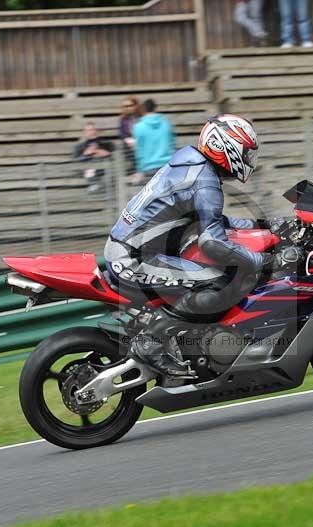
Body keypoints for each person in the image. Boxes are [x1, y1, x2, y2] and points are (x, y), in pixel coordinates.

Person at [104, 114, 275, 376]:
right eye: (245, 153)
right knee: (220, 281)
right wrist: (259, 260)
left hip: (132, 249)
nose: (248, 160)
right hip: (133, 259)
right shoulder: (205, 181)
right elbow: (212, 243)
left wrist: (263, 226)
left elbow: (212, 220)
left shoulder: (190, 161)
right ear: (225, 147)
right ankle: (151, 343)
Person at [131, 99, 175, 184]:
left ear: (143, 109)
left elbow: (139, 151)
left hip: (149, 168)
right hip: (167, 167)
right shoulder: (166, 123)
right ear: (155, 108)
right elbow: (172, 144)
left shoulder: (138, 127)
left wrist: (139, 170)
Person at [73, 122, 114, 193]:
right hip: (87, 169)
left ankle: (94, 185)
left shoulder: (107, 143)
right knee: (90, 164)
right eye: (87, 130)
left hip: (104, 168)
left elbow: (116, 156)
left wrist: (105, 153)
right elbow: (75, 161)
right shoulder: (80, 146)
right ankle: (95, 184)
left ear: (96, 130)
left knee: (97, 160)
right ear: (84, 132)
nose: (89, 132)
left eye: (91, 129)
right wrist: (85, 154)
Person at [118, 96, 140, 170]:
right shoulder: (123, 120)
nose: (128, 108)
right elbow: (123, 135)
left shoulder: (141, 118)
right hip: (130, 153)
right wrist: (129, 141)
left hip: (142, 151)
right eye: (125, 106)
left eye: (130, 105)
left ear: (135, 105)